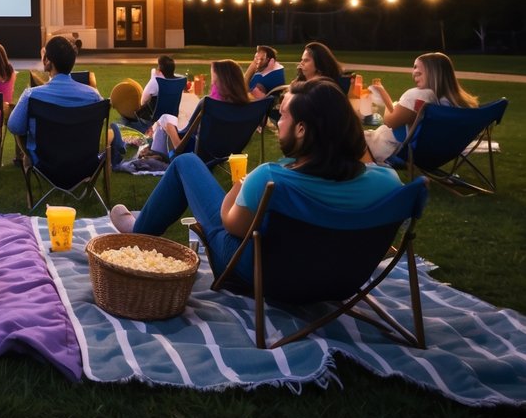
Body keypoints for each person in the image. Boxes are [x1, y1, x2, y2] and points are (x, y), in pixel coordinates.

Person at [110, 79, 402, 283]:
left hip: (266, 275)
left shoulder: (271, 179)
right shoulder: (389, 183)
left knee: (186, 163)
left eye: (284, 115)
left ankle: (139, 232)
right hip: (343, 278)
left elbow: (231, 224)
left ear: (302, 129)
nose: (280, 122)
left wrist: (242, 184)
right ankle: (140, 226)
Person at [364, 52, 478, 163]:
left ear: (433, 73)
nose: (413, 74)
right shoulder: (458, 105)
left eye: (418, 72)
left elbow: (389, 122)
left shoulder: (419, 97)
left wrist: (386, 99)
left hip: (390, 149)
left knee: (351, 137)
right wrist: (386, 96)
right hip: (437, 154)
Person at [7, 35, 102, 166]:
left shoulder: (31, 95)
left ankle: (30, 166)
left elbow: (15, 126)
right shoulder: (93, 96)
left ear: (47, 61)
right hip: (82, 164)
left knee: (23, 126)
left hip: (46, 164)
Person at [150, 59, 250, 157]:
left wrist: (170, 128)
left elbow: (183, 140)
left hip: (193, 154)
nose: (212, 84)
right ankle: (156, 153)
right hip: (224, 152)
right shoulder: (246, 108)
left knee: (165, 120)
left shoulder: (209, 103)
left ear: (221, 82)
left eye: (214, 80)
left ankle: (156, 153)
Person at [138, 54, 178, 119]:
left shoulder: (156, 81)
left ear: (160, 68)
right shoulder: (176, 81)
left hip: (154, 115)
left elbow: (143, 100)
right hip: (171, 113)